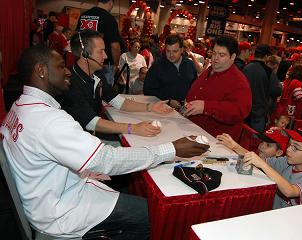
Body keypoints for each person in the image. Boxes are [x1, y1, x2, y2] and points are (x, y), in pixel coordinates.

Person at [0, 44, 209, 239]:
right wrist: (171, 149)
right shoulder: (48, 120)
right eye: (61, 66)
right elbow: (105, 159)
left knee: (123, 183)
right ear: (41, 71)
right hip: (61, 211)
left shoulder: (19, 107)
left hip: (45, 198)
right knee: (153, 215)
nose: (67, 71)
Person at [60, 30, 172, 140]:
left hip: (90, 135)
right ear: (84, 54)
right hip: (77, 141)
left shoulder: (97, 75)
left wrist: (150, 107)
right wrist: (133, 128)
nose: (105, 56)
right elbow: (91, 122)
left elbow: (117, 101)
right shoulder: (70, 83)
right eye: (101, 51)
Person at [184, 35, 252, 140]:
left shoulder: (239, 82)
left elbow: (239, 112)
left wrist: (206, 107)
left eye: (221, 55)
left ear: (233, 57)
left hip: (214, 142)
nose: (215, 58)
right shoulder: (209, 70)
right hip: (192, 131)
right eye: (214, 53)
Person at [244, 127, 302, 210]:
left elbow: (290, 191)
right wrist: (234, 146)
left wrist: (263, 165)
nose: (288, 149)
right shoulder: (287, 161)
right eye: (290, 144)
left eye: (295, 147)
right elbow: (258, 160)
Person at [77, 0, 127, 86]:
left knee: (84, 88)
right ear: (110, 3)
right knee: (103, 93)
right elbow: (115, 46)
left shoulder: (84, 15)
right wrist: (115, 65)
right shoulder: (109, 18)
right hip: (104, 64)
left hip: (84, 60)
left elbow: (77, 39)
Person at [143, 34, 198, 101]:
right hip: (162, 108)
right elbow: (147, 90)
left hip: (186, 108)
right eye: (168, 51)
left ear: (181, 50)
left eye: (175, 51)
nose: (171, 55)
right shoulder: (157, 66)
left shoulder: (190, 65)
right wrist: (168, 101)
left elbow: (195, 87)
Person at [243, 44, 282, 133]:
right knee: (255, 140)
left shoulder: (245, 67)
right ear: (266, 56)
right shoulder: (268, 71)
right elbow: (276, 91)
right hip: (258, 113)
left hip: (244, 109)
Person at [217, 128, 289, 159]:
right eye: (262, 142)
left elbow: (258, 161)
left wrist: (235, 147)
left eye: (268, 145)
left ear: (279, 153)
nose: (262, 146)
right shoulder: (259, 154)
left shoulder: (276, 166)